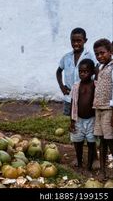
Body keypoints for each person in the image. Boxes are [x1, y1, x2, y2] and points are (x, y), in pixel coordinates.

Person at [56, 28, 95, 116]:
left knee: (84, 116)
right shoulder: (66, 57)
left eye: (79, 41)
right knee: (71, 118)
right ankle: (73, 129)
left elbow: (96, 72)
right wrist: (62, 86)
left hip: (85, 96)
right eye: (73, 41)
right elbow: (58, 71)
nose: (75, 44)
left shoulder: (90, 56)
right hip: (69, 96)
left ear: (85, 40)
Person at [69, 58, 96, 170]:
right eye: (80, 71)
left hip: (92, 120)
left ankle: (89, 166)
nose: (82, 74)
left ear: (92, 72)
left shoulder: (95, 85)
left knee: (91, 143)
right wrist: (72, 120)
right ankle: (79, 163)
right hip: (78, 119)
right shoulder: (76, 86)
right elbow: (73, 103)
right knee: (78, 142)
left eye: (86, 71)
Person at [92, 38, 113, 179]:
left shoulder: (112, 68)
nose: (99, 56)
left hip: (109, 110)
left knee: (111, 140)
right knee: (102, 141)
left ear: (110, 52)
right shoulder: (99, 68)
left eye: (102, 53)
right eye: (97, 54)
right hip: (98, 109)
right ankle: (103, 170)